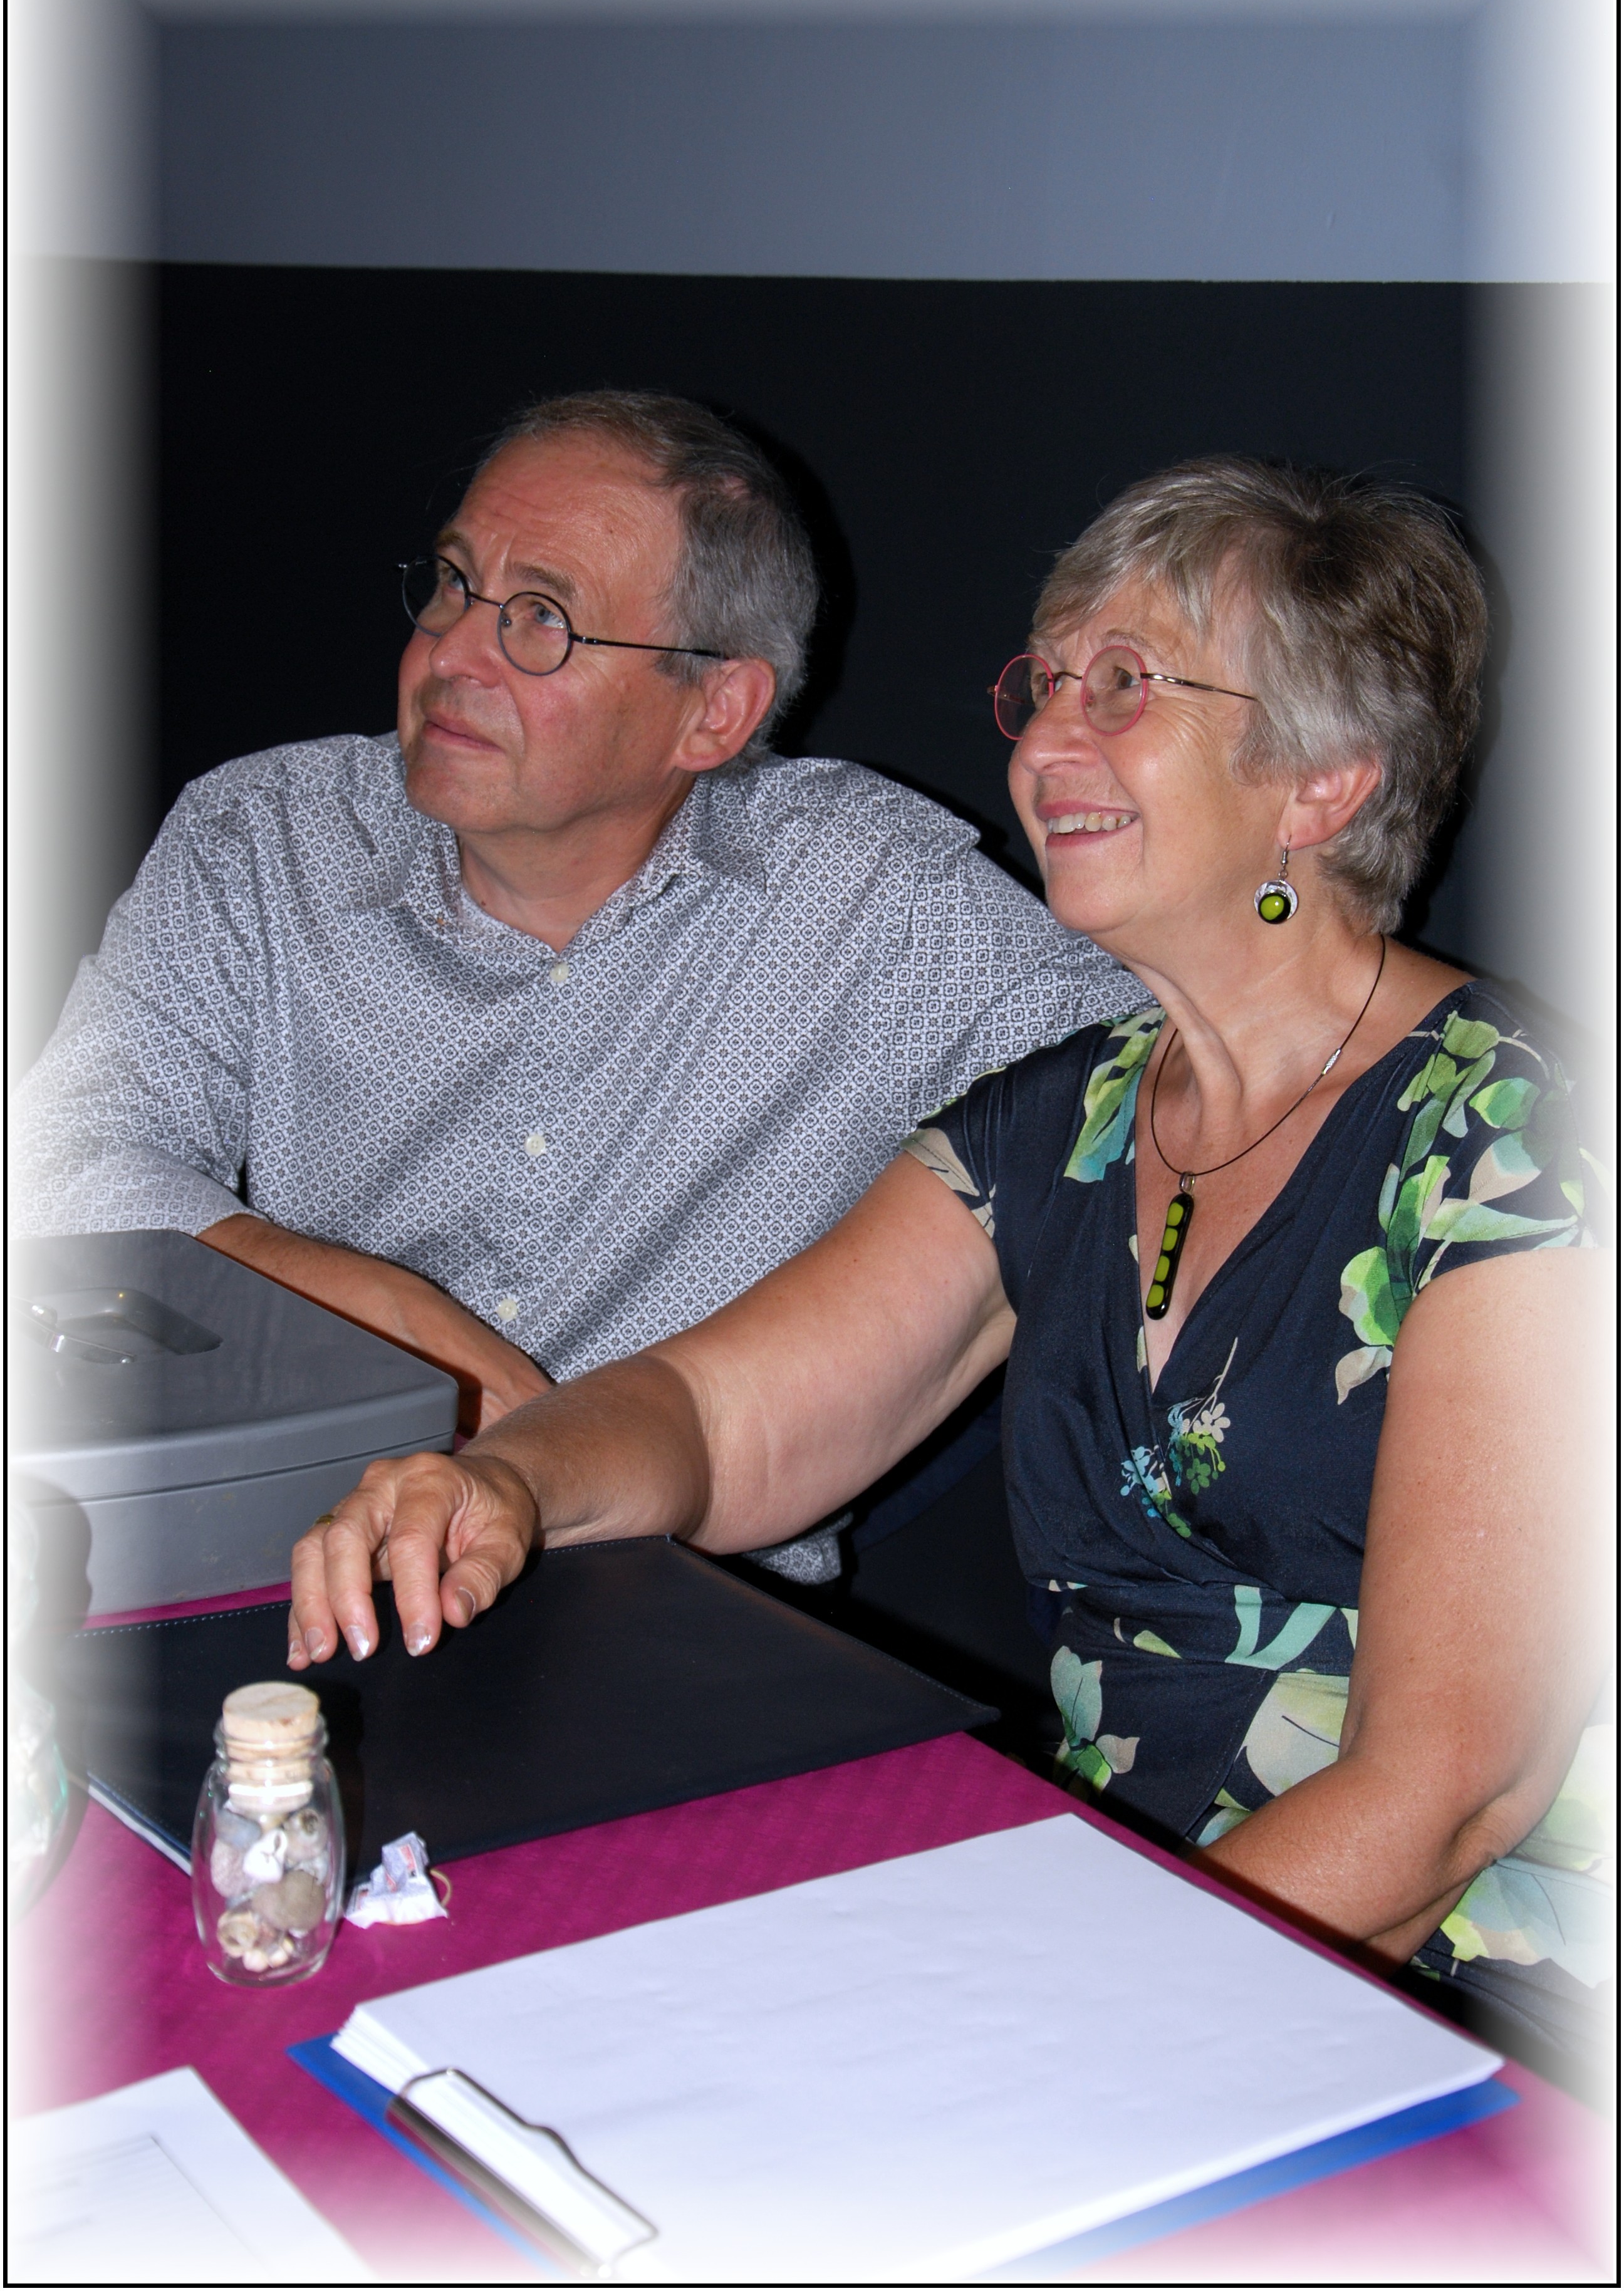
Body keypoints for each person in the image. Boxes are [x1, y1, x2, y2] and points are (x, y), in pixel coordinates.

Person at [288, 457, 1608, 2071]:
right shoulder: (1069, 1121)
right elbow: (720, 1417)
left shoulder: (1515, 1136)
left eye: (1125, 687)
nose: (1044, 743)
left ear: (1323, 782)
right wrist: (508, 1484)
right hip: (1125, 1926)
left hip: (1446, 2005)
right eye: (1043, 685)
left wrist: (1048, 2032)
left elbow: (1448, 1795)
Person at [14, 390, 1144, 1576]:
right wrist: (375, 1314)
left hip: (669, 1597)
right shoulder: (266, 839)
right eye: (454, 584)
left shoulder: (868, 899)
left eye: (541, 621)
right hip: (295, 1537)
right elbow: (58, 1158)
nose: (450, 656)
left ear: (715, 711)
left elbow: (1183, 1077)